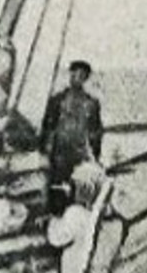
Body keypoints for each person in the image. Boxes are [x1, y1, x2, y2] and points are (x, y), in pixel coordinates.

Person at [40, 59, 104, 189]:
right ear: (70, 75)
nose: (76, 78)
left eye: (81, 75)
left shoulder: (92, 104)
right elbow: (47, 127)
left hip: (79, 157)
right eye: (74, 74)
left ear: (85, 78)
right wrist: (43, 152)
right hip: (58, 156)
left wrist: (96, 157)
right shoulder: (57, 100)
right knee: (55, 190)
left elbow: (95, 133)